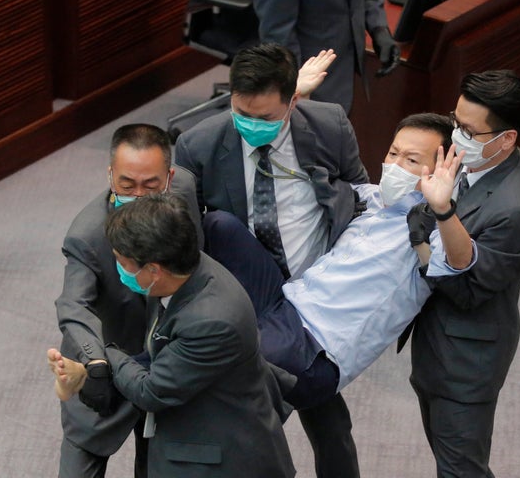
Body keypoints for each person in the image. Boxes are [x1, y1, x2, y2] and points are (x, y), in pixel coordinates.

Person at [175, 42, 368, 478]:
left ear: (293, 100)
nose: (249, 125)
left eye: (263, 118)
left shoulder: (330, 125)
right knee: (250, 420)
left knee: (330, 423)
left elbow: (360, 196)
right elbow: (189, 235)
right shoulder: (198, 145)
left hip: (311, 301)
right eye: (240, 111)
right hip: (247, 302)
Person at [204, 113, 460, 407]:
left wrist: (442, 208)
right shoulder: (369, 196)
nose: (395, 165)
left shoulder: (434, 229)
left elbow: (457, 267)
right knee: (218, 225)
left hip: (312, 348)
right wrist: (290, 103)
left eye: (411, 160)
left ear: (440, 170)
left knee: (213, 356)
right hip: (285, 302)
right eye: (393, 153)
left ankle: (152, 372)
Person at [48, 193, 295, 478]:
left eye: (122, 262)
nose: (119, 271)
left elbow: (150, 391)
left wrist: (106, 357)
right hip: (191, 436)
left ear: (153, 269)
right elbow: (157, 353)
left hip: (223, 461)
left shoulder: (211, 320)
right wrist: (87, 373)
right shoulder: (178, 272)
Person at [399, 69, 520, 477]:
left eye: (467, 129)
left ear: (507, 138)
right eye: (455, 120)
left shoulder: (515, 210)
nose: (455, 135)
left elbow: (467, 291)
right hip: (435, 348)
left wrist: (430, 233)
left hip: (466, 364)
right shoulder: (478, 160)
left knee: (461, 471)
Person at [54, 124, 203, 478]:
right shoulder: (86, 236)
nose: (139, 195)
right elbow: (74, 305)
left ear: (168, 179)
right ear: (110, 175)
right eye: (126, 186)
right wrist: (96, 364)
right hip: (106, 363)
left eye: (150, 186)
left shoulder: (184, 189)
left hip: (167, 367)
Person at [253, 0, 401, 114]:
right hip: (306, 82)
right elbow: (277, 33)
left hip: (345, 72)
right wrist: (294, 90)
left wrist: (378, 28)